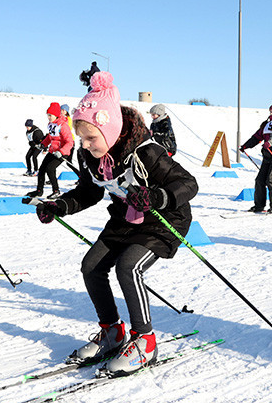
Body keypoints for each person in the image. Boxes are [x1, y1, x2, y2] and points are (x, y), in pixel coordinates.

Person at [34, 71, 198, 375]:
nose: (84, 145)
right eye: (81, 138)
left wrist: (156, 197)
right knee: (92, 266)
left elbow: (188, 184)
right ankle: (112, 332)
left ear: (109, 130)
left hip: (163, 219)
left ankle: (145, 341)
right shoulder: (92, 156)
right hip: (126, 216)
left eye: (91, 138)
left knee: (128, 266)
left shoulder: (147, 152)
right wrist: (60, 206)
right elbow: (89, 191)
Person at [240, 102, 272, 213]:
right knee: (260, 180)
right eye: (271, 111)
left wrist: (270, 143)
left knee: (271, 180)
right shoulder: (267, 124)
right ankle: (259, 205)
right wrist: (246, 146)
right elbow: (257, 136)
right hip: (268, 155)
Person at [27, 102, 73, 199]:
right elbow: (49, 137)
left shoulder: (63, 126)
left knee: (50, 169)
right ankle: (39, 191)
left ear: (56, 115)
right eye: (48, 115)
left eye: (50, 115)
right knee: (42, 169)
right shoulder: (51, 124)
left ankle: (56, 191)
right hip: (53, 151)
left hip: (62, 153)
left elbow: (70, 142)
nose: (48, 117)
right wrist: (43, 144)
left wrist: (61, 152)